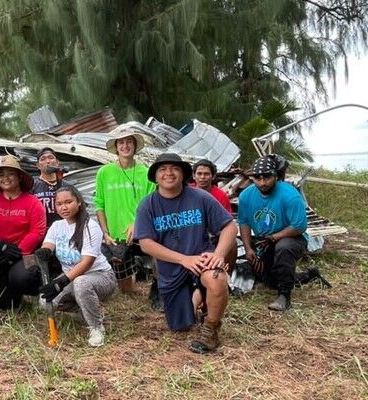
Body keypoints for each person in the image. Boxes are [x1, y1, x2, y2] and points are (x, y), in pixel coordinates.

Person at [134, 153, 237, 353]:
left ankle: (211, 329)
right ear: (155, 177)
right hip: (172, 267)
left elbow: (229, 227)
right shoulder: (148, 205)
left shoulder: (200, 197)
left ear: (183, 174)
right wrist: (183, 259)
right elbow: (146, 244)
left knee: (216, 279)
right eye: (162, 169)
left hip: (202, 259)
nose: (169, 173)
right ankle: (199, 296)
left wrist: (219, 254)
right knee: (181, 326)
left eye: (174, 168)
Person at [36, 186, 117, 347]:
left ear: (79, 202)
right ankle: (84, 309)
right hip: (71, 278)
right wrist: (44, 251)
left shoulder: (90, 227)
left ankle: (96, 327)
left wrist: (60, 282)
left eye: (68, 202)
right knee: (45, 302)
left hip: (101, 276)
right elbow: (48, 245)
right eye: (59, 204)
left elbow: (87, 262)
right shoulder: (57, 226)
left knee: (81, 283)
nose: (64, 207)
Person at [94, 124, 157, 303]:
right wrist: (105, 232)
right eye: (121, 142)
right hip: (116, 233)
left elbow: (151, 203)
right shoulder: (104, 173)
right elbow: (99, 204)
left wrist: (137, 223)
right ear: (116, 147)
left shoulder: (146, 172)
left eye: (129, 142)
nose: (125, 146)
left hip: (143, 228)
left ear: (135, 146)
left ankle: (158, 288)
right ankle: (131, 282)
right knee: (126, 291)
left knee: (158, 255)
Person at [238, 155, 308, 312]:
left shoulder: (290, 195)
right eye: (257, 178)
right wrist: (249, 248)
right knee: (268, 279)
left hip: (291, 238)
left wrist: (274, 237)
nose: (262, 183)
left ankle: (284, 296)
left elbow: (299, 226)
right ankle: (307, 276)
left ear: (276, 176)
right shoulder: (246, 196)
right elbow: (244, 223)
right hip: (264, 240)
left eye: (267, 177)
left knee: (283, 248)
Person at [0, 155, 47, 309]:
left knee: (24, 277)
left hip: (24, 255)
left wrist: (18, 251)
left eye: (10, 174)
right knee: (0, 305)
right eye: (1, 175)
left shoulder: (33, 202)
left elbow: (37, 231)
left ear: (19, 176)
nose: (5, 178)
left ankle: (34, 292)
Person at [31, 147, 72, 229]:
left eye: (51, 157)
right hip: (40, 233)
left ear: (57, 162)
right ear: (38, 166)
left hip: (64, 232)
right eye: (43, 159)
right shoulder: (32, 186)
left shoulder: (68, 187)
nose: (48, 161)